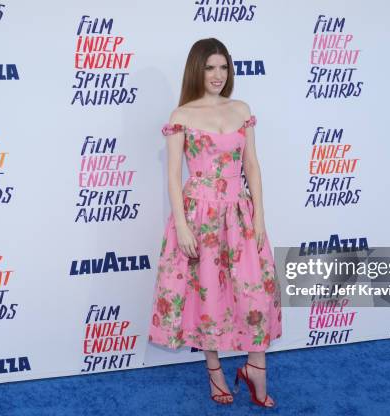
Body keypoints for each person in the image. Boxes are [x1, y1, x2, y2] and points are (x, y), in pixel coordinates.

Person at [148, 38, 282, 408]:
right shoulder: (182, 116)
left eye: (223, 67)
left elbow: (252, 165)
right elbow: (174, 176)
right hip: (199, 216)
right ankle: (215, 370)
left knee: (256, 289)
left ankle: (256, 365)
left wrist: (260, 216)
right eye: (210, 67)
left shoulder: (241, 109)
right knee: (206, 291)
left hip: (239, 213)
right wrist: (182, 224)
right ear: (197, 70)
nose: (218, 75)